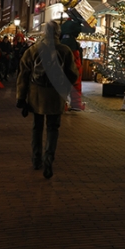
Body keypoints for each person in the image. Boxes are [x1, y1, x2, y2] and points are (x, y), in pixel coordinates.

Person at [16, 21, 79, 179]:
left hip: (36, 95)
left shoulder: (33, 50)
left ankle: (36, 159)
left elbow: (23, 75)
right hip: (55, 95)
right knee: (53, 128)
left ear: (44, 32)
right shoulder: (65, 50)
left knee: (37, 127)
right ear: (58, 33)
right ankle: (49, 158)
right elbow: (73, 74)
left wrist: (21, 97)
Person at [60, 16, 94, 110]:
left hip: (62, 48)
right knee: (76, 76)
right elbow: (90, 30)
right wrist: (86, 22)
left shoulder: (64, 24)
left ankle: (62, 103)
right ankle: (76, 103)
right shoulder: (74, 24)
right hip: (72, 49)